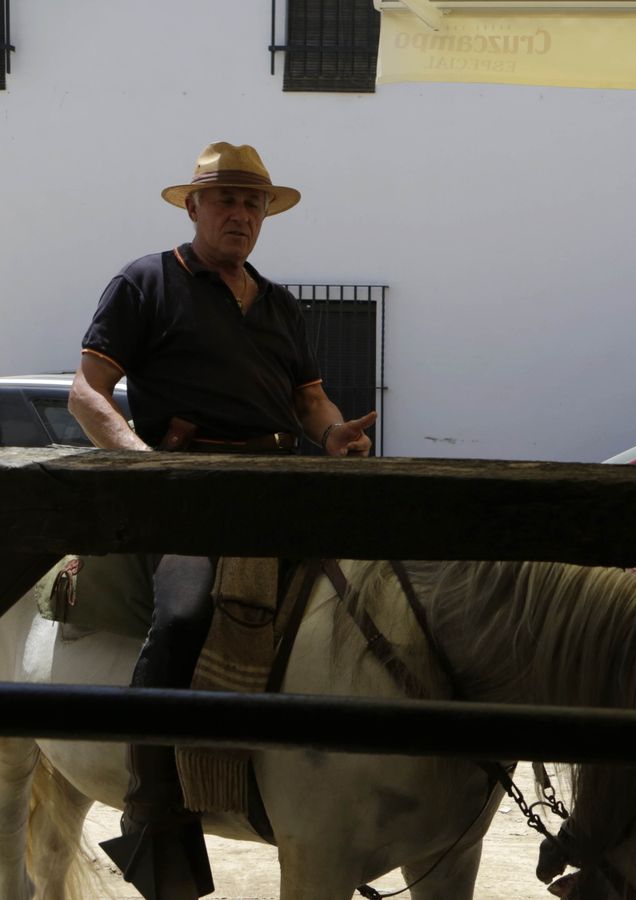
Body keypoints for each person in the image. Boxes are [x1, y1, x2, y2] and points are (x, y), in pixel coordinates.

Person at [67, 141, 377, 900]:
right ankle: (154, 811)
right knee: (182, 619)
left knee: (372, 600)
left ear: (266, 215)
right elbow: (86, 391)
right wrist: (144, 462)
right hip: (189, 488)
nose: (241, 214)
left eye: (253, 203)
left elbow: (310, 400)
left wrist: (333, 433)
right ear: (194, 207)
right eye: (226, 200)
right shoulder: (145, 282)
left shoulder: (279, 303)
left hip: (282, 484)